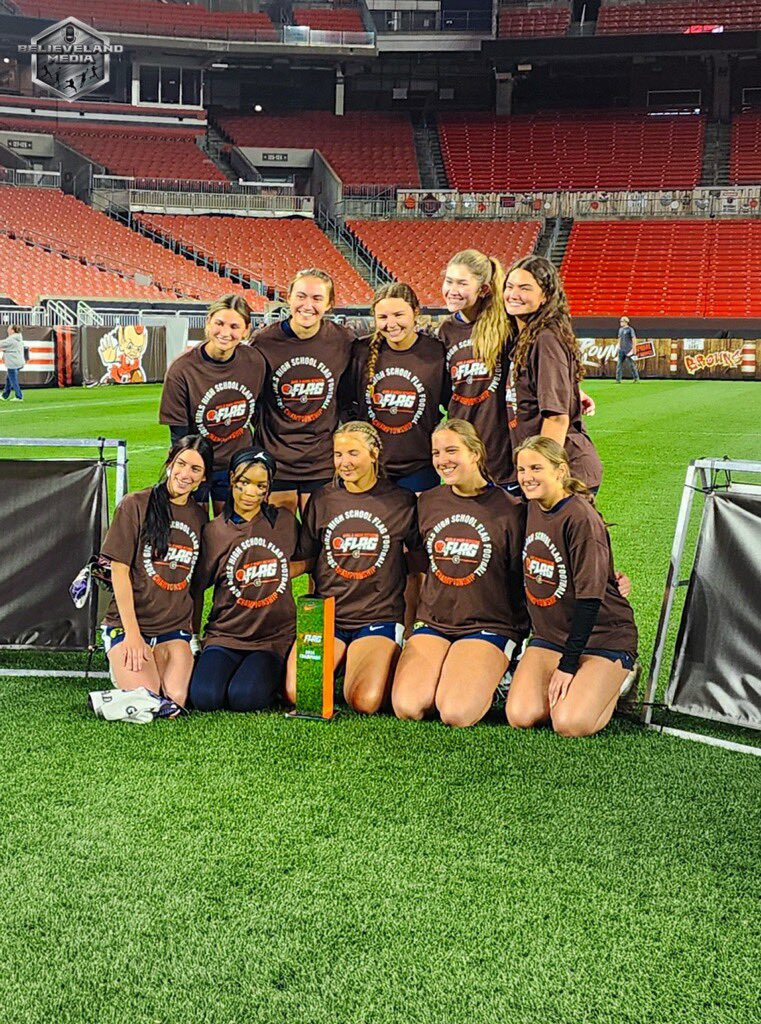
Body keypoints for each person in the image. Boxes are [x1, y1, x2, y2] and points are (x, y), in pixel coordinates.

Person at [392, 419, 529, 728]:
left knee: (456, 713)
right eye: (436, 452)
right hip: (436, 621)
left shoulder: (511, 509)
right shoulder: (427, 502)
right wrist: (410, 624)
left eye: (452, 450)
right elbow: (412, 564)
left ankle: (502, 674)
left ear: (475, 453)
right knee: (407, 707)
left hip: (488, 623)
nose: (443, 460)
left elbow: (537, 565)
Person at [506, 436, 638, 738]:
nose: (526, 477)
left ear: (561, 470)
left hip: (602, 635)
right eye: (521, 469)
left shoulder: (579, 517)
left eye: (536, 468)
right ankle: (588, 683)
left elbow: (590, 601)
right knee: (521, 715)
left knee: (570, 723)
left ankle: (622, 678)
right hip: (551, 635)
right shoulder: (531, 507)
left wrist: (567, 665)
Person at [287, 421, 421, 715]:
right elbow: (309, 559)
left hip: (378, 616)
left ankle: (379, 655)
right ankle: (345, 659)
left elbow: (416, 568)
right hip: (330, 618)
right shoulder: (322, 499)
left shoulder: (402, 501)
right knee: (300, 693)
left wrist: (411, 627)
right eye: (338, 455)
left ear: (374, 454)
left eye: (353, 453)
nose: (344, 463)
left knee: (364, 700)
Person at [100, 436, 213, 708]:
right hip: (129, 627)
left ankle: (157, 663)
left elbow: (195, 586)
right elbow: (119, 572)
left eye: (195, 469)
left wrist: (192, 634)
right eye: (181, 464)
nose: (185, 474)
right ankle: (109, 692)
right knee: (150, 696)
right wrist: (133, 635)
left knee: (174, 699)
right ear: (169, 462)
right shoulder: (135, 505)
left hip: (173, 630)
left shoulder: (199, 518)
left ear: (203, 478)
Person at [190, 447, 301, 713]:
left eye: (260, 486)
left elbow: (310, 559)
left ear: (268, 488)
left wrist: (281, 570)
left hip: (272, 638)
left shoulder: (284, 522)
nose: (250, 493)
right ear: (230, 480)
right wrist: (193, 637)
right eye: (243, 483)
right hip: (226, 634)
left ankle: (273, 676)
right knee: (205, 698)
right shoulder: (214, 531)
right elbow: (195, 589)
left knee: (245, 698)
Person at [251, 268, 356, 514]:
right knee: (281, 540)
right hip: (276, 461)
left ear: (330, 303)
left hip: (321, 462)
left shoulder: (343, 341)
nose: (307, 305)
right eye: (301, 296)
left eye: (317, 298)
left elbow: (348, 396)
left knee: (318, 540)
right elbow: (251, 398)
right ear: (288, 297)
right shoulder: (263, 342)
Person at [504, 255, 603, 492]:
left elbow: (556, 418)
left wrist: (542, 475)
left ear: (545, 296)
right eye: (509, 286)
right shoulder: (527, 336)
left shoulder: (545, 339)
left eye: (525, 288)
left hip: (564, 473)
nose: (513, 294)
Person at [159, 295, 265, 514]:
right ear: (208, 323)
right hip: (197, 466)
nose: (225, 333)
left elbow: (261, 412)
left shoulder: (255, 362)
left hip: (238, 466)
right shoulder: (182, 369)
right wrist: (189, 473)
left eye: (234, 326)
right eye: (219, 323)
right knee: (192, 531)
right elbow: (178, 434)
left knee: (231, 534)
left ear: (246, 330)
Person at [348, 282, 449, 493]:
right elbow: (345, 402)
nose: (391, 324)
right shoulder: (360, 352)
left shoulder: (436, 352)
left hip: (420, 467)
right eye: (383, 317)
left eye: (398, 315)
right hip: (371, 466)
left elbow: (451, 405)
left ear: (416, 312)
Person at [437, 250, 513, 485]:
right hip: (461, 442)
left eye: (462, 283)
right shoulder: (446, 330)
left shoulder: (507, 325)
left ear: (483, 289)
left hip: (499, 445)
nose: (452, 290)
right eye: (449, 281)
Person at [0, 324, 26, 401]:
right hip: (18, 362)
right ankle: (5, 396)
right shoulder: (18, 338)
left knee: (13, 380)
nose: (7, 330)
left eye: (9, 329)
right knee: (9, 379)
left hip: (12, 363)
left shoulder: (11, 339)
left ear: (12, 330)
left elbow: (2, 343)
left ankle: (19, 396)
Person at [616, 316, 640, 383]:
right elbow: (619, 338)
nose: (620, 323)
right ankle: (618, 379)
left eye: (622, 321)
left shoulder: (630, 329)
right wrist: (619, 346)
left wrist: (634, 348)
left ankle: (636, 378)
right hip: (622, 349)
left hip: (628, 349)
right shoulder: (620, 330)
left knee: (631, 365)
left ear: (626, 322)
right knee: (619, 365)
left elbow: (633, 338)